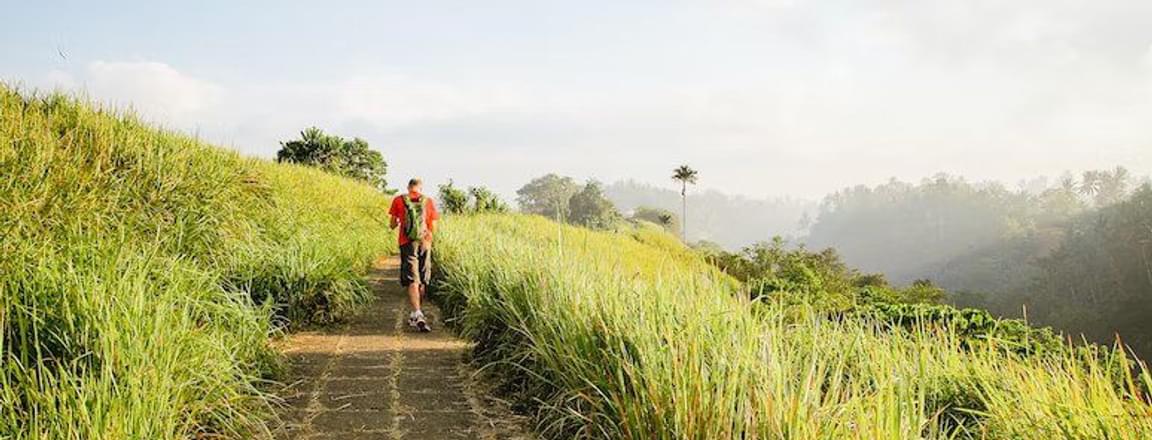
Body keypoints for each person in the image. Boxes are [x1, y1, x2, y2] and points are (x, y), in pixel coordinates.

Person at [389, 178, 440, 332]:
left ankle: (417, 313)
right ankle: (415, 313)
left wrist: (400, 222)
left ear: (408, 187)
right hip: (425, 243)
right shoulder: (428, 201)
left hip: (407, 242)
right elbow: (433, 226)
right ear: (420, 188)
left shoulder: (399, 200)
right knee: (422, 278)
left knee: (412, 278)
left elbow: (392, 224)